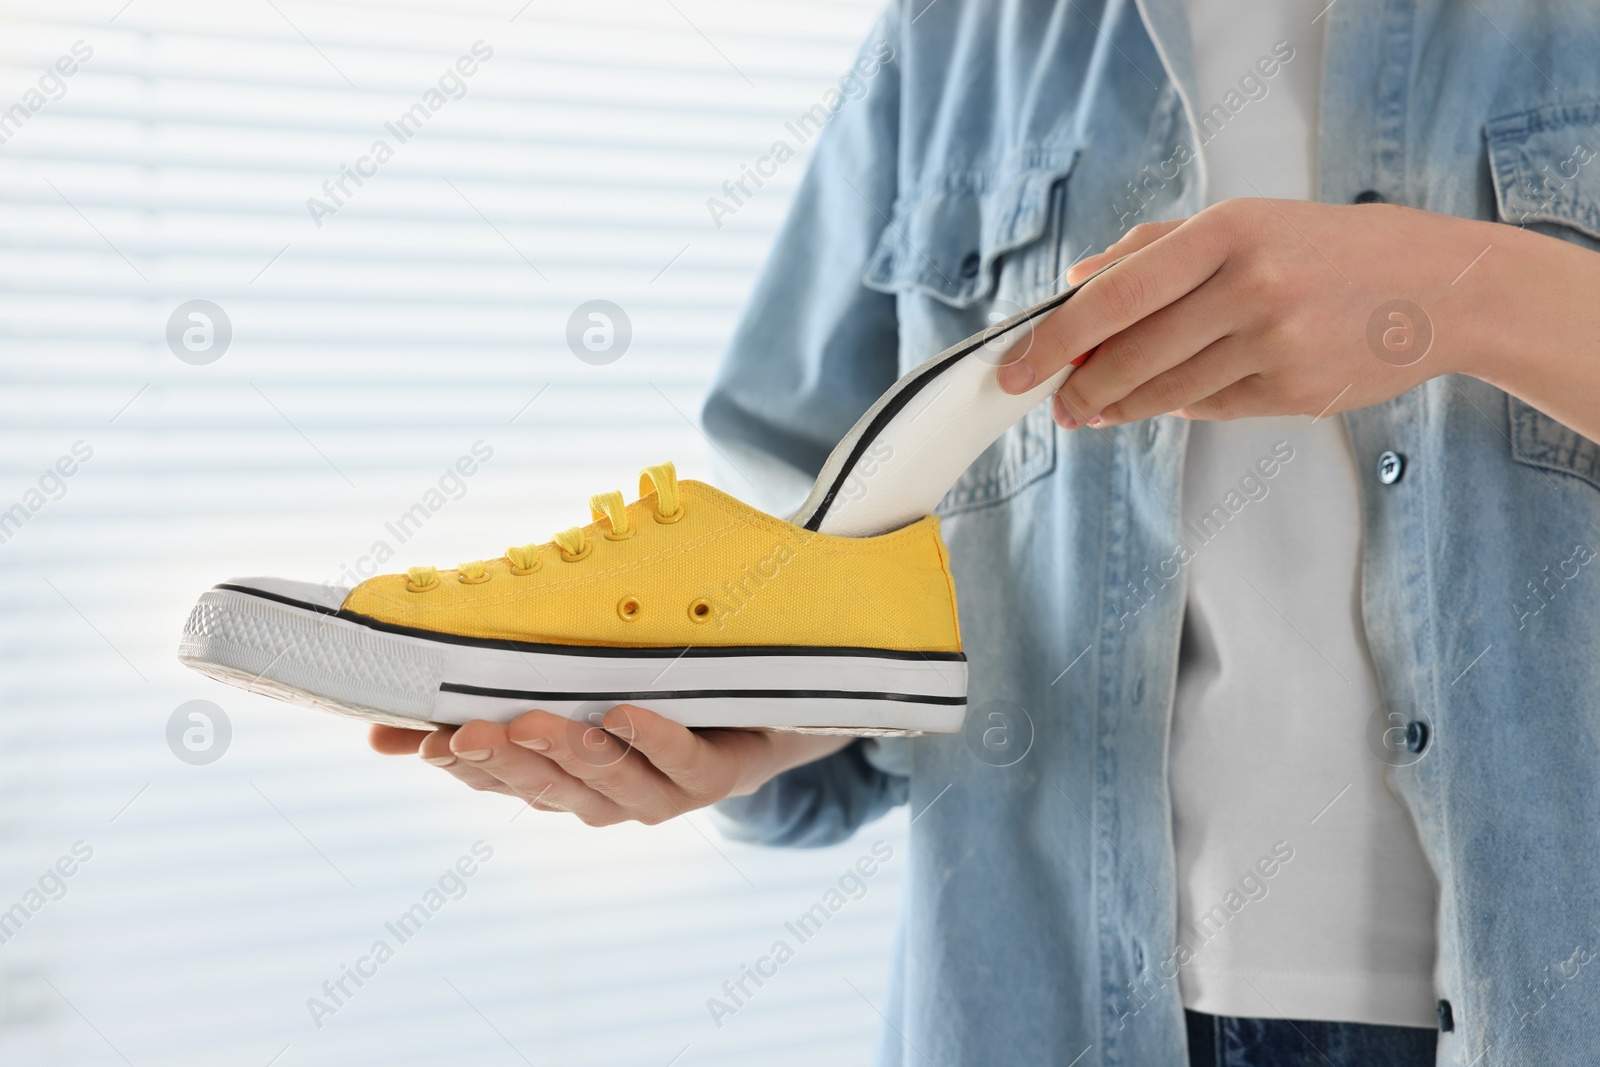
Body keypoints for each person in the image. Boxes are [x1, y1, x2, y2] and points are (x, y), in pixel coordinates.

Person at [370, 0, 1600, 1063]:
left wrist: (1472, 296)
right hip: (1040, 1005)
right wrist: (749, 722)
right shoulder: (959, 30)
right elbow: (819, 510)